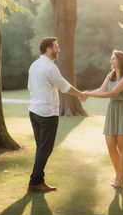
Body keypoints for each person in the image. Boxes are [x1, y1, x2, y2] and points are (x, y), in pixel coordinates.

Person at [27, 37, 87, 192]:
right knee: (45, 149)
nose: (58, 49)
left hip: (34, 111)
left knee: (41, 148)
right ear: (48, 49)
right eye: (56, 47)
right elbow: (65, 87)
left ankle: (38, 180)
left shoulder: (34, 65)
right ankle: (35, 182)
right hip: (46, 114)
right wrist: (80, 94)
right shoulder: (50, 67)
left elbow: (30, 87)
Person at [85, 50, 123, 188]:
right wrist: (87, 94)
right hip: (112, 110)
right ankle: (120, 173)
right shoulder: (111, 75)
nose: (111, 61)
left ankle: (120, 177)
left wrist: (90, 94)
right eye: (111, 59)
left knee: (121, 146)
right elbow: (102, 89)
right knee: (110, 145)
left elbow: (112, 93)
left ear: (120, 61)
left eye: (113, 59)